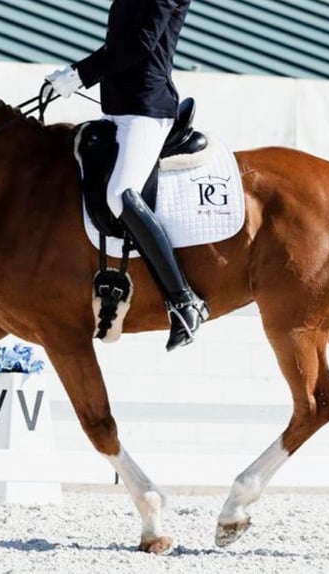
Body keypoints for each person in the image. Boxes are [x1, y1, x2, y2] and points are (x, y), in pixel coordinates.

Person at [45, 0, 208, 351]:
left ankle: (183, 301)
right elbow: (117, 46)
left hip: (147, 111)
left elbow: (140, 44)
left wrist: (80, 74)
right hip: (118, 109)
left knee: (120, 193)